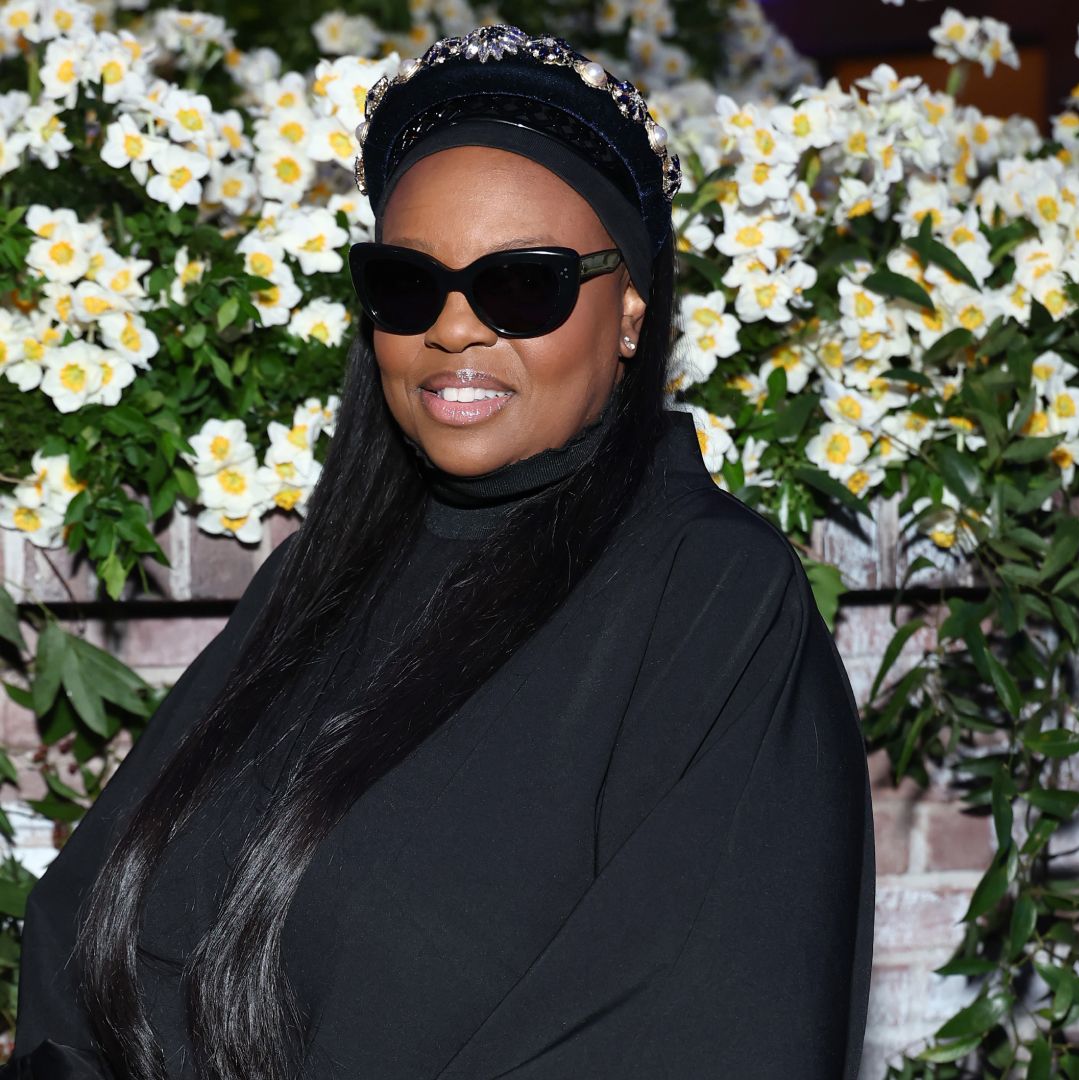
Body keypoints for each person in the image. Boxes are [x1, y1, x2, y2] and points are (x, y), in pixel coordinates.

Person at [5, 23, 875, 1080]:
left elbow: (700, 1031)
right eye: (408, 285)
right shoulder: (318, 580)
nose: (454, 329)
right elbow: (83, 934)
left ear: (632, 310)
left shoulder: (712, 600)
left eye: (523, 284)